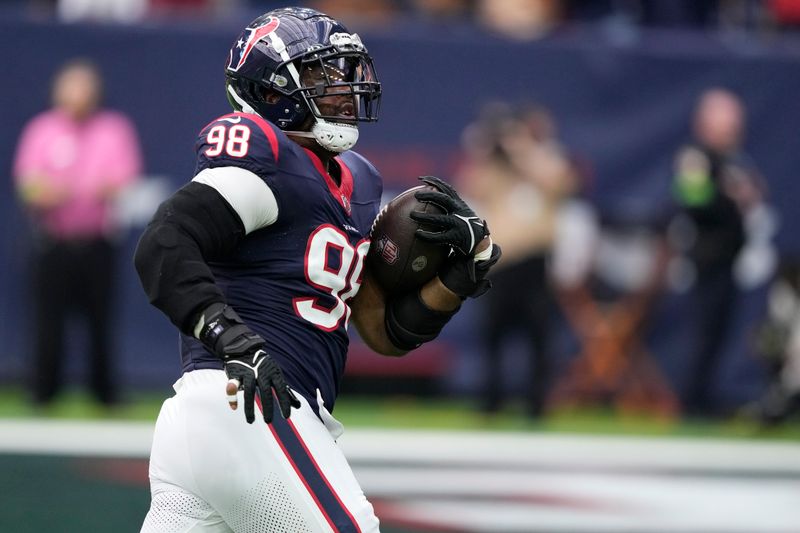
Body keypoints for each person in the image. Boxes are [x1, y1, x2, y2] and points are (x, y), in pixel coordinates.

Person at [134, 7, 500, 532]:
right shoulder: (265, 153)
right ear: (270, 90)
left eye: (342, 75)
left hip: (222, 420)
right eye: (319, 77)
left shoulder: (360, 181)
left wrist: (456, 281)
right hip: (248, 402)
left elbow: (382, 331)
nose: (341, 90)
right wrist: (231, 337)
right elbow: (164, 242)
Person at [13, 58, 142, 407]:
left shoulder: (114, 129)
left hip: (98, 241)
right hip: (54, 240)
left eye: (85, 87)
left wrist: (78, 188)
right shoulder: (42, 130)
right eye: (72, 87)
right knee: (48, 323)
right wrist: (64, 190)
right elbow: (28, 186)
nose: (78, 95)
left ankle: (105, 394)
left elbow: (123, 181)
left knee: (101, 322)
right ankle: (42, 392)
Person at [459, 103, 574, 418]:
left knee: (538, 336)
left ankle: (536, 402)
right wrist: (486, 151)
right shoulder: (495, 168)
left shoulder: (548, 161)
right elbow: (470, 186)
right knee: (492, 335)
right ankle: (491, 399)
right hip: (501, 263)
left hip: (535, 263)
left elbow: (559, 184)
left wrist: (521, 150)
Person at [672, 87, 765, 417]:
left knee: (720, 331)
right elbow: (693, 200)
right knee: (704, 331)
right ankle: (692, 401)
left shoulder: (732, 160)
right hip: (706, 257)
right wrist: (732, 198)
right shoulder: (697, 157)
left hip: (729, 258)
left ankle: (706, 395)